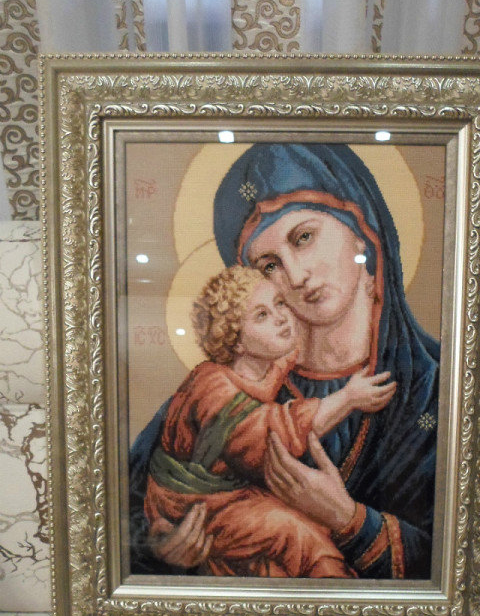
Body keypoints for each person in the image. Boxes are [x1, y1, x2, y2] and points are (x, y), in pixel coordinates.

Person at [129, 143, 439, 580]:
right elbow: (122, 523)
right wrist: (164, 548)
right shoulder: (223, 392)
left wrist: (349, 519)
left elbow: (457, 559)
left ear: (361, 230)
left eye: (304, 238)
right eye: (269, 265)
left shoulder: (435, 390)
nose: (295, 277)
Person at [144, 265, 395, 578]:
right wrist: (347, 398)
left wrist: (360, 302)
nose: (281, 318)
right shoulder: (212, 386)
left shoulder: (254, 369)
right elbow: (271, 434)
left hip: (230, 499)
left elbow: (280, 366)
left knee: (303, 537)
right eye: (261, 315)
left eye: (279, 303)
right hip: (196, 509)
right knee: (301, 537)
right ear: (236, 341)